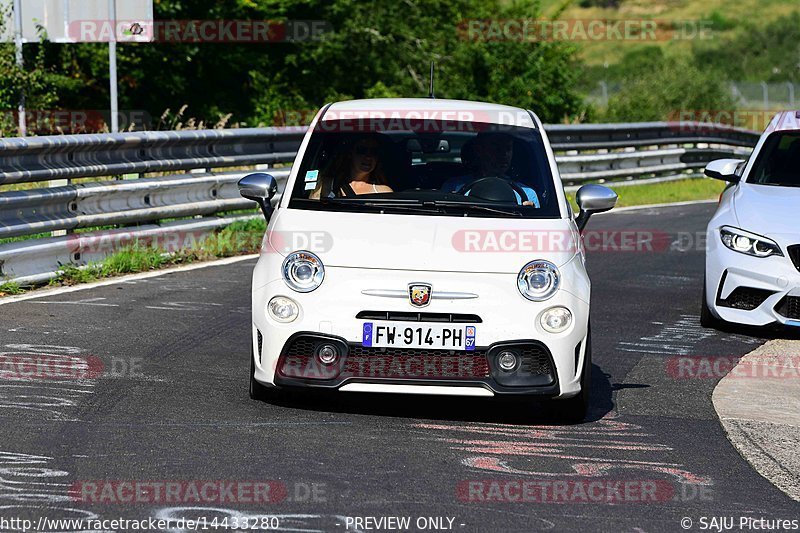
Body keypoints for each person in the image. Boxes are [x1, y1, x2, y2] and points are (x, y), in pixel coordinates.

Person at [441, 132, 539, 207]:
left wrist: (530, 213)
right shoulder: (453, 187)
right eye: (497, 148)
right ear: (480, 150)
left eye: (508, 148)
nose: (504, 154)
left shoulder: (527, 194)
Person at [310, 136, 393, 199]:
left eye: (373, 152)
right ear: (350, 154)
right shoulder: (325, 185)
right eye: (362, 150)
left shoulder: (383, 191)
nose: (368, 157)